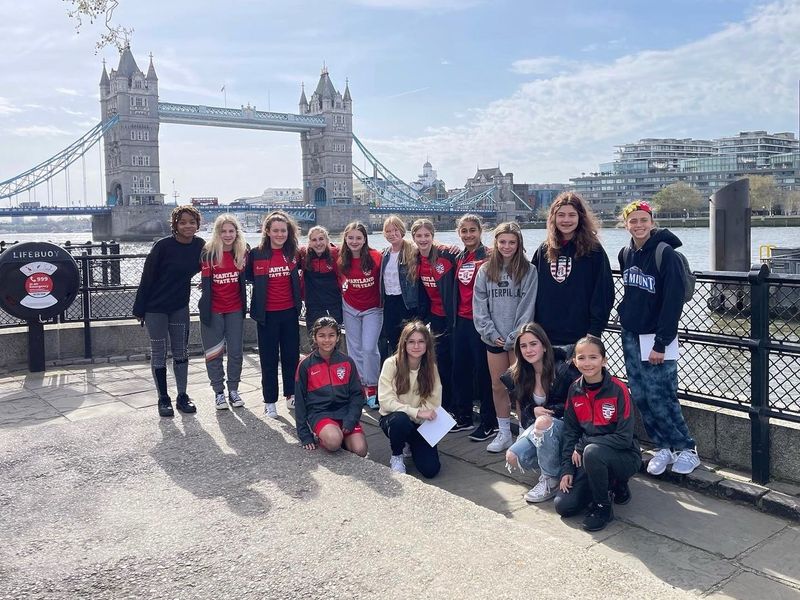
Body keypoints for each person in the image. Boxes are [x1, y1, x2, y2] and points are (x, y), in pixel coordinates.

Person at [618, 200, 700, 475]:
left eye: (644, 220)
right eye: (633, 221)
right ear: (626, 224)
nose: (639, 225)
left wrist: (661, 342)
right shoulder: (625, 253)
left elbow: (672, 302)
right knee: (640, 394)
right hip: (631, 333)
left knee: (661, 394)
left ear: (652, 222)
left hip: (657, 336)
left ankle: (686, 447)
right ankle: (662, 445)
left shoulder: (667, 254)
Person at [555, 336, 641, 532]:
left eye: (593, 357)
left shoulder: (619, 389)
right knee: (564, 506)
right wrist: (567, 469)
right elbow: (570, 431)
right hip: (589, 457)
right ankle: (606, 485)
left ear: (604, 360)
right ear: (574, 362)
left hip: (624, 455)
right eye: (581, 358)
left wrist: (583, 444)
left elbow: (624, 437)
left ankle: (603, 506)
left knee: (593, 451)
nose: (587, 363)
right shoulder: (574, 389)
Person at [133, 205, 204, 418]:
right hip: (155, 307)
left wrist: (207, 282)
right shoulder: (162, 246)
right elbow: (147, 277)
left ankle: (182, 396)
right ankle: (163, 398)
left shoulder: (200, 245)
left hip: (179, 306)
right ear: (175, 225)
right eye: (183, 222)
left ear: (198, 224)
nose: (188, 226)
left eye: (192, 222)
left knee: (181, 351)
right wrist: (140, 308)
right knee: (159, 352)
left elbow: (215, 262)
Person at [472, 222, 537, 453]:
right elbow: (479, 306)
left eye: (512, 242)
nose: (507, 246)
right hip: (494, 339)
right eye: (502, 242)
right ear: (496, 243)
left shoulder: (529, 270)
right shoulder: (485, 270)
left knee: (521, 387)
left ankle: (523, 433)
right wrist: (490, 332)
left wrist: (515, 335)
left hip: (518, 340)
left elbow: (527, 306)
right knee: (498, 385)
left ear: (519, 243)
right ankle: (503, 433)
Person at [503, 323, 579, 503]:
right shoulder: (518, 374)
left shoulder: (564, 369)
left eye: (533, 344)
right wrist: (532, 409)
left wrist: (549, 413)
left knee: (544, 422)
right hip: (541, 427)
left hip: (565, 427)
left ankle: (550, 480)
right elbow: (525, 419)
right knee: (513, 457)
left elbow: (576, 405)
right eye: (523, 346)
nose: (528, 350)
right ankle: (558, 467)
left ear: (544, 345)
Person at [531, 192, 614, 346]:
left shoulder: (594, 251)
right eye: (561, 215)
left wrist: (594, 332)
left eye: (572, 215)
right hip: (544, 337)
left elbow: (603, 293)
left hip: (582, 337)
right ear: (553, 218)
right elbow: (530, 291)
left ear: (580, 217)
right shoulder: (543, 250)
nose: (566, 220)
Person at [245, 210, 302, 418]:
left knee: (291, 357)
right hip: (266, 315)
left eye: (283, 230)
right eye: (275, 230)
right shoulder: (256, 254)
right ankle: (269, 401)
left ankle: (291, 395)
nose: (280, 234)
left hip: (289, 313)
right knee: (268, 360)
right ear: (267, 231)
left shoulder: (294, 253)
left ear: (289, 232)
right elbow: (245, 275)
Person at [294, 316, 368, 457]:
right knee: (333, 442)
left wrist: (352, 418)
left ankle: (343, 434)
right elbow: (300, 400)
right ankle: (329, 436)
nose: (327, 340)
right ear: (315, 338)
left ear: (338, 337)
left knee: (361, 450)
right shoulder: (305, 365)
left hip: (345, 413)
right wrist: (305, 435)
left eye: (331, 335)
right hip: (320, 413)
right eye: (322, 335)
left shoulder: (347, 362)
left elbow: (357, 395)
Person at [449, 214, 496, 438]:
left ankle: (489, 422)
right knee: (460, 371)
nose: (468, 235)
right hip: (461, 321)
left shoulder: (489, 256)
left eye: (472, 230)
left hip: (483, 322)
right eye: (464, 231)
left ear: (480, 232)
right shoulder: (458, 256)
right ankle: (464, 417)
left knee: (484, 374)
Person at [377, 320, 442, 478]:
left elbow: (434, 401)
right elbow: (386, 401)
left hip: (420, 423)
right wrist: (416, 412)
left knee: (431, 470)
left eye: (421, 342)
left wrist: (420, 418)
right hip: (394, 418)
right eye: (411, 342)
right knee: (400, 420)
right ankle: (397, 454)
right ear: (404, 343)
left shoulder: (430, 367)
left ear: (427, 344)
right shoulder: (391, 364)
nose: (416, 346)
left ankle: (410, 443)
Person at [198, 214, 248, 410]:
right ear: (217, 233)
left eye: (231, 231)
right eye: (223, 231)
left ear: (237, 232)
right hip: (213, 310)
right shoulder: (208, 254)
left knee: (236, 352)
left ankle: (233, 390)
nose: (228, 235)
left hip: (235, 309)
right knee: (213, 353)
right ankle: (218, 392)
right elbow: (205, 283)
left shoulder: (243, 253)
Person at [411, 218, 459, 417]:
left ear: (433, 236)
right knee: (441, 363)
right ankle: (445, 405)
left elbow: (471, 259)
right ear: (413, 238)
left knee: (456, 362)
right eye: (419, 236)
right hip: (435, 317)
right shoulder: (414, 258)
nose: (423, 239)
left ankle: (458, 407)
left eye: (427, 235)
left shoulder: (446, 255)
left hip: (454, 316)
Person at [338, 221, 383, 408]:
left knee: (369, 348)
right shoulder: (339, 259)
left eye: (358, 238)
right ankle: (360, 386)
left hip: (373, 308)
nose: (354, 241)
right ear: (345, 239)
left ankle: (372, 386)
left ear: (365, 239)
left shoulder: (376, 257)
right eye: (350, 238)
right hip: (349, 307)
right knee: (354, 349)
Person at [379, 215, 419, 359]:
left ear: (402, 230)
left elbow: (431, 248)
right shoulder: (384, 254)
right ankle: (399, 375)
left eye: (395, 230)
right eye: (388, 231)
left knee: (410, 342)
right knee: (394, 341)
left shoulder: (413, 250)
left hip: (407, 304)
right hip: (389, 303)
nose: (392, 234)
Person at [300, 225, 342, 326]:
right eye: (314, 240)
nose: (318, 243)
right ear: (309, 242)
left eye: (321, 239)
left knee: (333, 339)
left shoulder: (336, 254)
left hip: (334, 306)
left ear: (327, 240)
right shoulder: (303, 256)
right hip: (313, 307)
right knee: (314, 339)